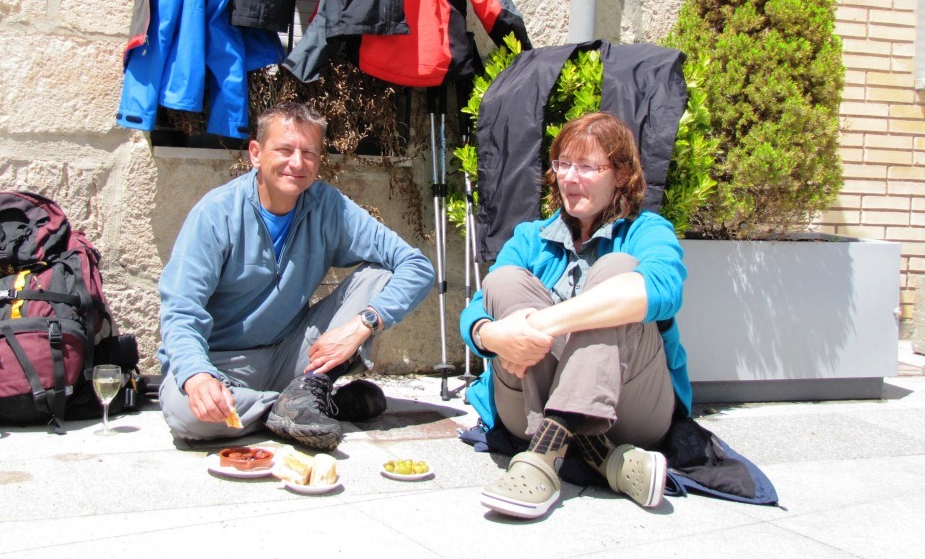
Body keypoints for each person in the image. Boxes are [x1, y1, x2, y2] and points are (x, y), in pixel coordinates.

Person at [157, 101, 435, 450]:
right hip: (221, 362)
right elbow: (181, 309)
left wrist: (364, 323)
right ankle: (308, 407)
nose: (298, 163)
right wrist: (198, 375)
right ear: (256, 154)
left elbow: (416, 266)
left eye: (309, 153)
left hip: (292, 355)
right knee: (187, 415)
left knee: (381, 273)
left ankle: (293, 402)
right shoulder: (216, 214)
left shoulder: (328, 207)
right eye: (284, 150)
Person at [460, 112, 691, 519]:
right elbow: (480, 305)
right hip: (529, 404)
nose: (569, 177)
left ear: (621, 175)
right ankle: (603, 456)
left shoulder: (648, 231)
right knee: (505, 279)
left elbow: (663, 289)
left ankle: (542, 460)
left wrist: (539, 325)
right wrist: (491, 336)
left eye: (586, 166)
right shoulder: (530, 237)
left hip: (631, 407)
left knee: (618, 270)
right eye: (563, 164)